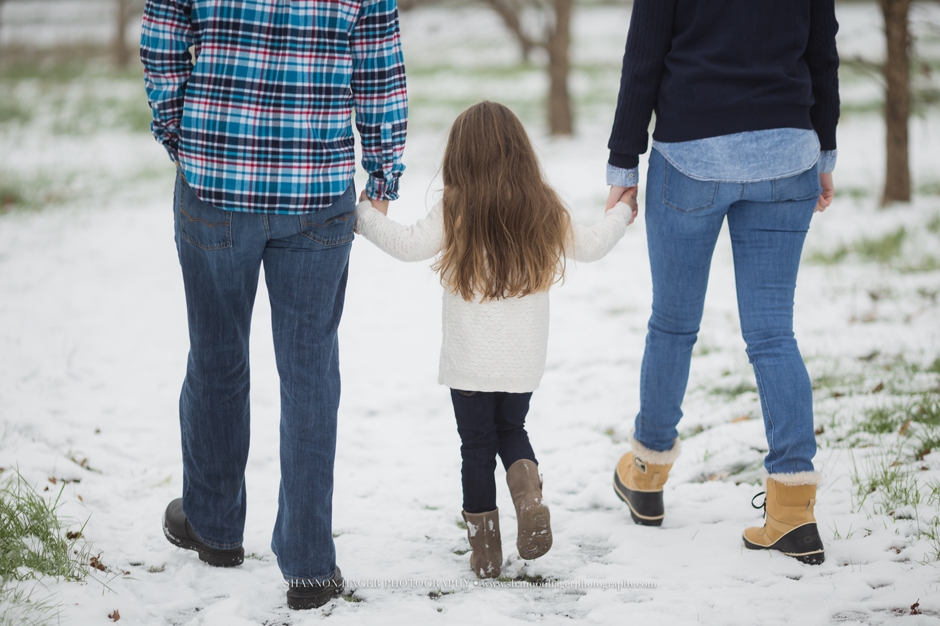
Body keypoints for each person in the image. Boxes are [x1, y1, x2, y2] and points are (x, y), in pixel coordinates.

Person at [140, 0, 407, 609]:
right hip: (315, 188)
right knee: (311, 369)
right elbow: (379, 66)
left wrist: (180, 133)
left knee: (215, 353)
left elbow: (160, 42)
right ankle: (310, 563)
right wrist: (383, 172)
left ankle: (212, 525)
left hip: (215, 178)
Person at [355, 101, 636, 578]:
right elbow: (590, 246)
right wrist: (624, 211)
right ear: (520, 151)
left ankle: (485, 551)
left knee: (476, 447)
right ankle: (528, 501)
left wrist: (359, 211)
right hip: (523, 360)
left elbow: (404, 245)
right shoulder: (542, 206)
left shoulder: (455, 206)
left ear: (460, 156)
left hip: (469, 361)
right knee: (512, 430)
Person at [606, 0, 839, 565]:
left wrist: (622, 165)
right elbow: (822, 56)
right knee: (772, 335)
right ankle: (792, 509)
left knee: (673, 324)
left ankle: (647, 471)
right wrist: (825, 151)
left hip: (690, 159)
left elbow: (643, 58)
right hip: (788, 157)